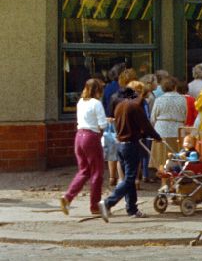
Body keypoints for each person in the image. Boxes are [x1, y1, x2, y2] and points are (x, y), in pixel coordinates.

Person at [99, 81, 162, 221]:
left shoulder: (120, 106)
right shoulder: (135, 107)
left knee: (129, 178)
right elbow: (145, 125)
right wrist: (157, 137)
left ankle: (132, 209)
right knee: (129, 179)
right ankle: (108, 202)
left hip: (120, 144)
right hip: (131, 145)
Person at [61, 78, 106, 217]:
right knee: (97, 172)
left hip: (79, 137)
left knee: (84, 171)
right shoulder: (96, 103)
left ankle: (68, 196)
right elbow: (102, 125)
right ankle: (94, 206)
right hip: (91, 138)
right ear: (97, 90)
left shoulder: (81, 102)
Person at [149, 76, 188, 171]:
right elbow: (185, 116)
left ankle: (164, 180)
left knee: (161, 159)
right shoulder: (182, 99)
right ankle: (174, 179)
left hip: (161, 131)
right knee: (176, 158)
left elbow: (153, 118)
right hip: (177, 131)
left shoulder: (159, 100)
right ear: (175, 86)